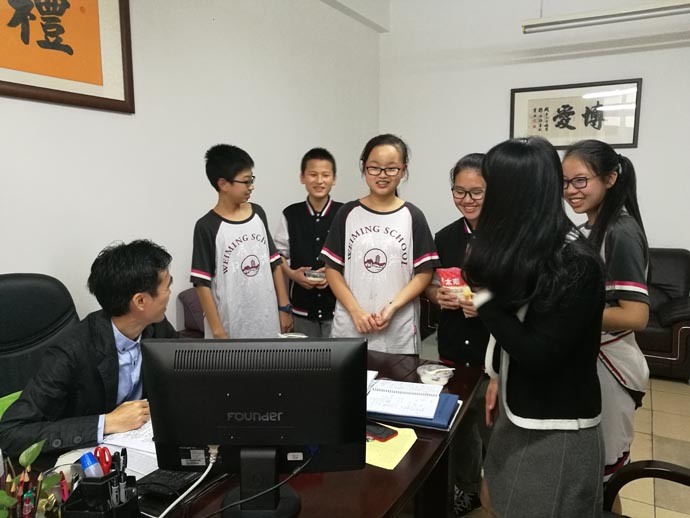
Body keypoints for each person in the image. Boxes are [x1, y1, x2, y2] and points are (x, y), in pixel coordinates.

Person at [462, 137, 605, 517]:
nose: (482, 199)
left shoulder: (577, 263)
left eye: (488, 187)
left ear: (513, 195)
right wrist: (497, 376)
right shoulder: (534, 247)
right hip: (518, 409)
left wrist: (483, 297)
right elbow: (517, 324)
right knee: (494, 499)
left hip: (556, 427)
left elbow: (539, 353)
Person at [0, 240, 178, 457]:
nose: (169, 293)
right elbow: (10, 433)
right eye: (167, 287)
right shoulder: (70, 352)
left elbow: (182, 369)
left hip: (140, 446)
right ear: (140, 301)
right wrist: (107, 422)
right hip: (82, 459)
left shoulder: (155, 326)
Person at [563, 139, 649, 484]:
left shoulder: (620, 231)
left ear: (610, 178)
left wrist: (564, 312)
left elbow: (635, 316)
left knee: (605, 474)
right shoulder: (586, 230)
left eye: (580, 180)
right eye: (564, 182)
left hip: (610, 365)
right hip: (587, 359)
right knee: (586, 468)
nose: (570, 191)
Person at [320, 134, 439, 354]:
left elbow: (424, 272)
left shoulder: (412, 216)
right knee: (349, 377)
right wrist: (356, 312)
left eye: (391, 168)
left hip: (399, 329)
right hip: (350, 326)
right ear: (364, 168)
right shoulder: (347, 213)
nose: (382, 175)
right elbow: (332, 269)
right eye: (374, 168)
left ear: (403, 170)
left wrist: (393, 307)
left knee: (397, 376)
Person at [424, 153, 490, 516]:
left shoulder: (507, 236)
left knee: (493, 428)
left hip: (492, 350)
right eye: (459, 191)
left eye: (476, 192)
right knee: (460, 428)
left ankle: (498, 492)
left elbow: (520, 291)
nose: (467, 199)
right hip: (452, 347)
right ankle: (467, 490)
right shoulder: (445, 236)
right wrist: (438, 296)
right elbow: (429, 284)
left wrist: (486, 303)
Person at [190, 144, 293, 339]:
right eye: (246, 181)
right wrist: (217, 331)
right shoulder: (207, 226)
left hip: (267, 322)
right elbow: (201, 283)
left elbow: (274, 263)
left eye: (252, 180)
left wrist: (284, 307)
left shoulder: (258, 213)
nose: (251, 186)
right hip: (229, 328)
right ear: (223, 184)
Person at [273, 148, 343, 337]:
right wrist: (292, 275)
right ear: (302, 177)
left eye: (325, 175)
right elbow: (278, 255)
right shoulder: (290, 214)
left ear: (334, 179)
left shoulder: (344, 213)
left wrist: (333, 276)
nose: (319, 180)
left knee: (338, 356)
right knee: (305, 355)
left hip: (338, 310)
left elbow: (352, 258)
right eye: (313, 174)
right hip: (300, 309)